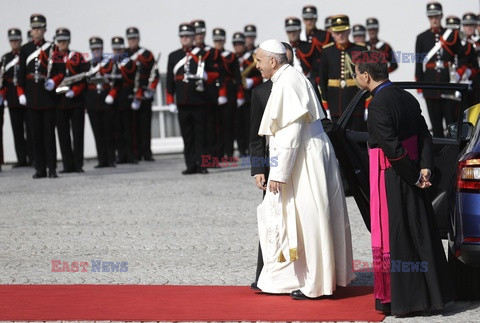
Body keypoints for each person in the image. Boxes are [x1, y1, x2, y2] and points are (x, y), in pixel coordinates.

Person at [354, 50, 454, 316]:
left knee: (396, 236)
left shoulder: (376, 103)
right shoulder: (406, 97)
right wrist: (424, 169)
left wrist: (412, 176)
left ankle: (405, 299)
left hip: (392, 176)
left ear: (365, 75)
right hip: (413, 173)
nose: (355, 77)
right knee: (420, 232)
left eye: (356, 73)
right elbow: (425, 135)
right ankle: (433, 295)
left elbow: (392, 148)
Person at [254, 39, 355, 300]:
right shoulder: (289, 79)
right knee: (305, 220)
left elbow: (290, 133)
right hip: (306, 155)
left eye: (259, 61)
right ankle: (301, 278)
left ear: (273, 61)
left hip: (304, 158)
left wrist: (278, 173)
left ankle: (316, 284)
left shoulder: (288, 82)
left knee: (311, 220)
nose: (257, 67)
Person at [415, 2, 465, 138]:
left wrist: (459, 73)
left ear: (441, 15)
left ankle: (453, 156)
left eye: (436, 16)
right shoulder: (421, 38)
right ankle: (438, 157)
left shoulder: (451, 35)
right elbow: (418, 64)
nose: (434, 19)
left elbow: (461, 56)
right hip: (430, 87)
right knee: (436, 127)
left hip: (448, 85)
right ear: (428, 18)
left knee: (452, 124)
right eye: (431, 17)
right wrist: (420, 86)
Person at [166, 23, 210, 174]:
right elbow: (169, 82)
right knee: (187, 136)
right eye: (182, 36)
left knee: (201, 136)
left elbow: (212, 76)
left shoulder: (203, 53)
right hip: (183, 103)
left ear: (193, 37)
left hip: (199, 101)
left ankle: (202, 165)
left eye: (188, 36)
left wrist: (206, 76)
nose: (185, 39)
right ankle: (190, 165)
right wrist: (170, 101)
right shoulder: (173, 56)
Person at [18, 14, 57, 178]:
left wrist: (54, 82)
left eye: (39, 28)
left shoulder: (52, 47)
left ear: (45, 29)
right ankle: (39, 168)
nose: (36, 31)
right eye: (34, 28)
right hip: (32, 97)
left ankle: (52, 168)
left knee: (49, 134)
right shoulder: (25, 49)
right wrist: (21, 93)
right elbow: (20, 74)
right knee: (35, 135)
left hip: (47, 97)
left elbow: (59, 70)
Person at [47, 27, 88, 173]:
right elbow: (50, 75)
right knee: (63, 135)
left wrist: (75, 91)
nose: (62, 43)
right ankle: (67, 164)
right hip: (59, 102)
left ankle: (78, 164)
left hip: (75, 101)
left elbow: (84, 77)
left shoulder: (77, 56)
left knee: (78, 134)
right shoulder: (53, 57)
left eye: (64, 40)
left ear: (69, 40)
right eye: (60, 41)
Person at [318, 14, 368, 128]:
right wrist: (326, 105)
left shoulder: (360, 50)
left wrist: (367, 104)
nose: (340, 35)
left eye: (344, 31)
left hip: (356, 103)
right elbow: (323, 80)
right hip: (335, 105)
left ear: (349, 31)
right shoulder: (327, 51)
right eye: (337, 32)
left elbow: (367, 78)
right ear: (332, 32)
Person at [0, 28, 33, 168]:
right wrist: (3, 96)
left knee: (30, 130)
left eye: (16, 40)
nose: (14, 43)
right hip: (13, 99)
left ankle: (33, 157)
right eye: (12, 40)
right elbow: (3, 80)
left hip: (25, 97)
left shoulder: (25, 55)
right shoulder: (5, 58)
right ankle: (21, 159)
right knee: (17, 130)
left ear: (21, 40)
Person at [85, 36, 117, 168]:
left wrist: (111, 95)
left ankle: (111, 159)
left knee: (108, 132)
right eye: (93, 49)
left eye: (98, 48)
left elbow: (115, 83)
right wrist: (86, 103)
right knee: (97, 133)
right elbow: (85, 85)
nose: (96, 51)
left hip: (106, 102)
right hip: (93, 103)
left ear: (102, 49)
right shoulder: (88, 65)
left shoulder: (109, 63)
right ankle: (101, 159)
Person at [126, 27, 156, 162]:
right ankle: (134, 152)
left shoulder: (147, 54)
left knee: (145, 125)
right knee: (131, 126)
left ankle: (147, 152)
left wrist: (151, 89)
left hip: (144, 94)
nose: (132, 40)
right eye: (130, 38)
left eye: (134, 38)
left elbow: (154, 73)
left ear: (138, 38)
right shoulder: (123, 54)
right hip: (130, 95)